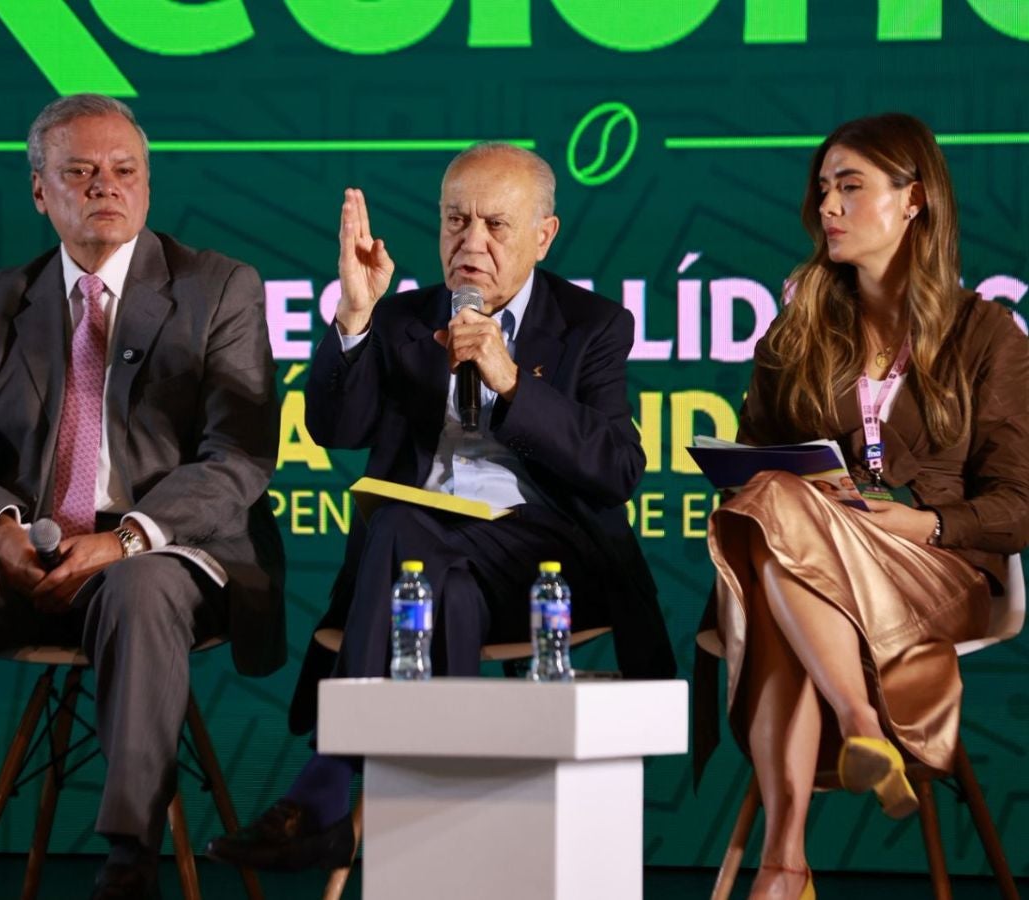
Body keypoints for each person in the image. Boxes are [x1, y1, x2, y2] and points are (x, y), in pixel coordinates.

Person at [206, 142, 674, 871]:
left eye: (496, 225)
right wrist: (355, 319)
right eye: (456, 222)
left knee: (400, 528)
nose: (472, 244)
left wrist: (512, 382)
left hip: (545, 560)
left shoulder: (592, 325)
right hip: (429, 565)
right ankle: (453, 857)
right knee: (439, 591)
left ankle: (327, 785)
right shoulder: (402, 320)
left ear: (544, 236)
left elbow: (615, 470)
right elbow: (337, 431)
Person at [0, 94, 284, 900]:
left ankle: (130, 861)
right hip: (28, 551)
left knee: (137, 586)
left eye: (124, 171)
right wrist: (2, 538)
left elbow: (239, 458)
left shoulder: (219, 288)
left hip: (163, 552)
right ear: (40, 192)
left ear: (148, 185)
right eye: (80, 172)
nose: (106, 186)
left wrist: (126, 537)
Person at [694, 113, 1029, 900]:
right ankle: (842, 763)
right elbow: (752, 470)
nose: (829, 208)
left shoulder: (988, 334)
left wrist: (927, 523)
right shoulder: (800, 327)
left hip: (939, 571)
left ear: (914, 199)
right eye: (823, 191)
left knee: (779, 548)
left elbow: (1018, 506)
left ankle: (792, 848)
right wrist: (817, 495)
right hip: (818, 569)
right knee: (775, 518)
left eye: (851, 187)